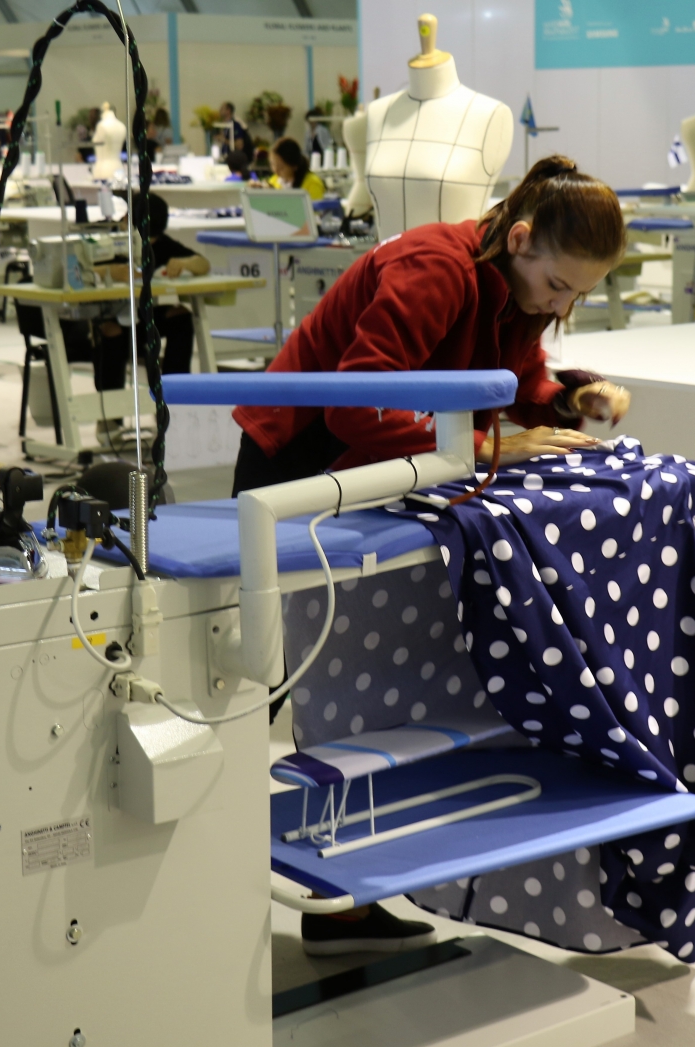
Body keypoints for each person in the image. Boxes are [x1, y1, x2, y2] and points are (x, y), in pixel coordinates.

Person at [231, 155, 630, 953]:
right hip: (301, 461)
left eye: (576, 297)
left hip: (384, 466)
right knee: (270, 678)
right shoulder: (433, 268)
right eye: (558, 287)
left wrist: (566, 397)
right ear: (521, 238)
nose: (561, 306)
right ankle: (200, 858)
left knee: (347, 680)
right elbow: (358, 406)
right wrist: (486, 447)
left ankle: (340, 904)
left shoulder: (512, 285)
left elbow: (512, 382)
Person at [79, 194, 211, 441]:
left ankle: (173, 402)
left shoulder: (163, 247)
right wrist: (110, 271)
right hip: (113, 319)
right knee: (110, 330)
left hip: (143, 320)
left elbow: (203, 264)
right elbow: (81, 269)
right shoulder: (111, 243)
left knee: (182, 317)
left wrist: (185, 263)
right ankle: (110, 419)